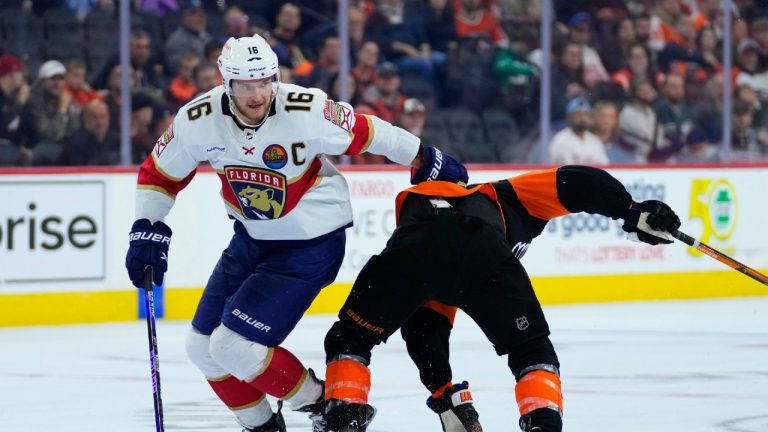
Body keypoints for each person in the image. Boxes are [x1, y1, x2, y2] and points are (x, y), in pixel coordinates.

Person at [124, 34, 467, 432]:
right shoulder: (197, 121)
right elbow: (159, 175)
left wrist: (424, 155)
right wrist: (147, 227)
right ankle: (262, 425)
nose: (258, 94)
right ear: (226, 83)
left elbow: (367, 132)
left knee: (230, 345)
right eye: (246, 85)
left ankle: (330, 405)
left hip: (312, 244)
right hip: (251, 239)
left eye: (265, 81)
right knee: (202, 348)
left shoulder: (306, 109)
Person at [319, 165, 682, 432]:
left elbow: (423, 332)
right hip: (482, 251)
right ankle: (542, 424)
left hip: (409, 253)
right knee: (531, 351)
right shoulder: (498, 194)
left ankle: (344, 417)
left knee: (349, 338)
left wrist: (445, 395)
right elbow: (574, 182)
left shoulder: (420, 223)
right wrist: (630, 211)